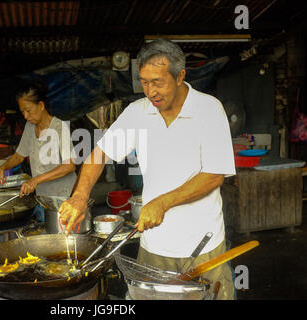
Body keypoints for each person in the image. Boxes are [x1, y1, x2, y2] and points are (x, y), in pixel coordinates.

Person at [58, 39, 236, 299]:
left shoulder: (209, 110)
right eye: (144, 81)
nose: (150, 91)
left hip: (203, 245)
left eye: (158, 82)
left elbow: (213, 175)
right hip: (155, 247)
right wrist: (79, 197)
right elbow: (100, 154)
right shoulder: (137, 112)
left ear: (180, 76)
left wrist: (163, 203)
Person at [0, 79, 77, 202]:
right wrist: (2, 168)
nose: (25, 116)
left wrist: (35, 180)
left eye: (28, 111)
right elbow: (19, 156)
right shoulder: (30, 127)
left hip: (66, 196)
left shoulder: (59, 127)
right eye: (22, 112)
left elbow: (70, 166)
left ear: (41, 105)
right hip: (44, 197)